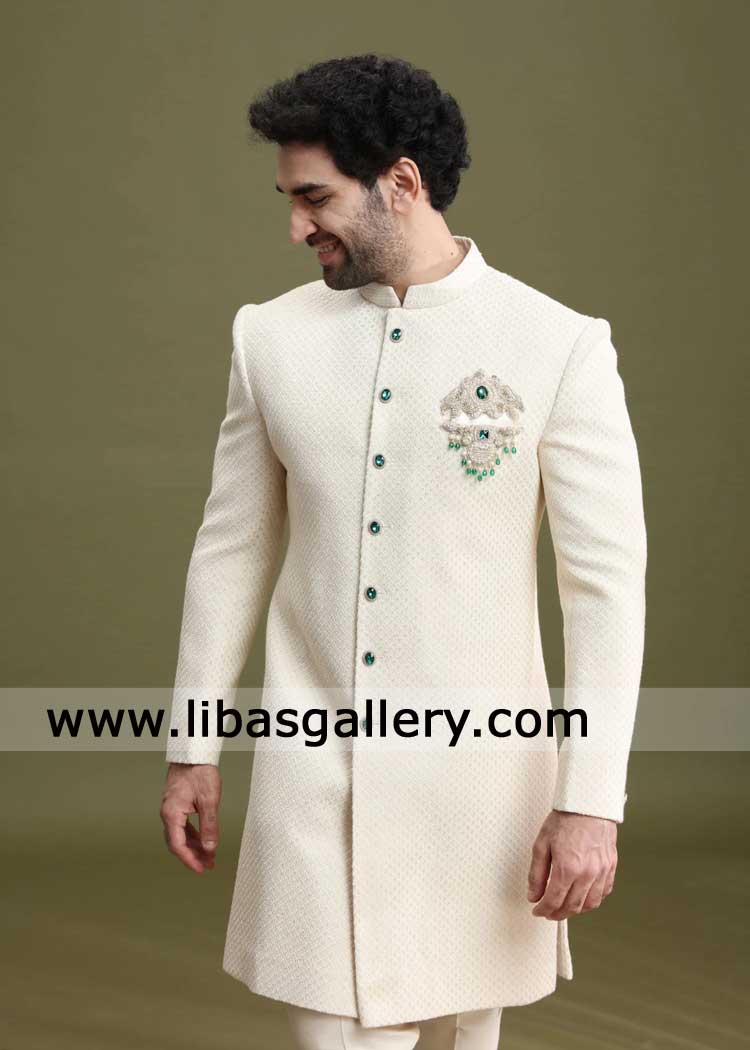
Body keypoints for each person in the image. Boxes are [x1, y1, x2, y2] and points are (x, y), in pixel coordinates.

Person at [160, 53, 647, 1050]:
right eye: (291, 201)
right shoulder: (270, 339)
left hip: (483, 787)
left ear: (402, 182)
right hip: (313, 773)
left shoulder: (556, 346)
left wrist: (591, 802)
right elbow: (230, 551)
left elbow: (604, 589)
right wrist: (191, 747)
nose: (297, 227)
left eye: (315, 198)